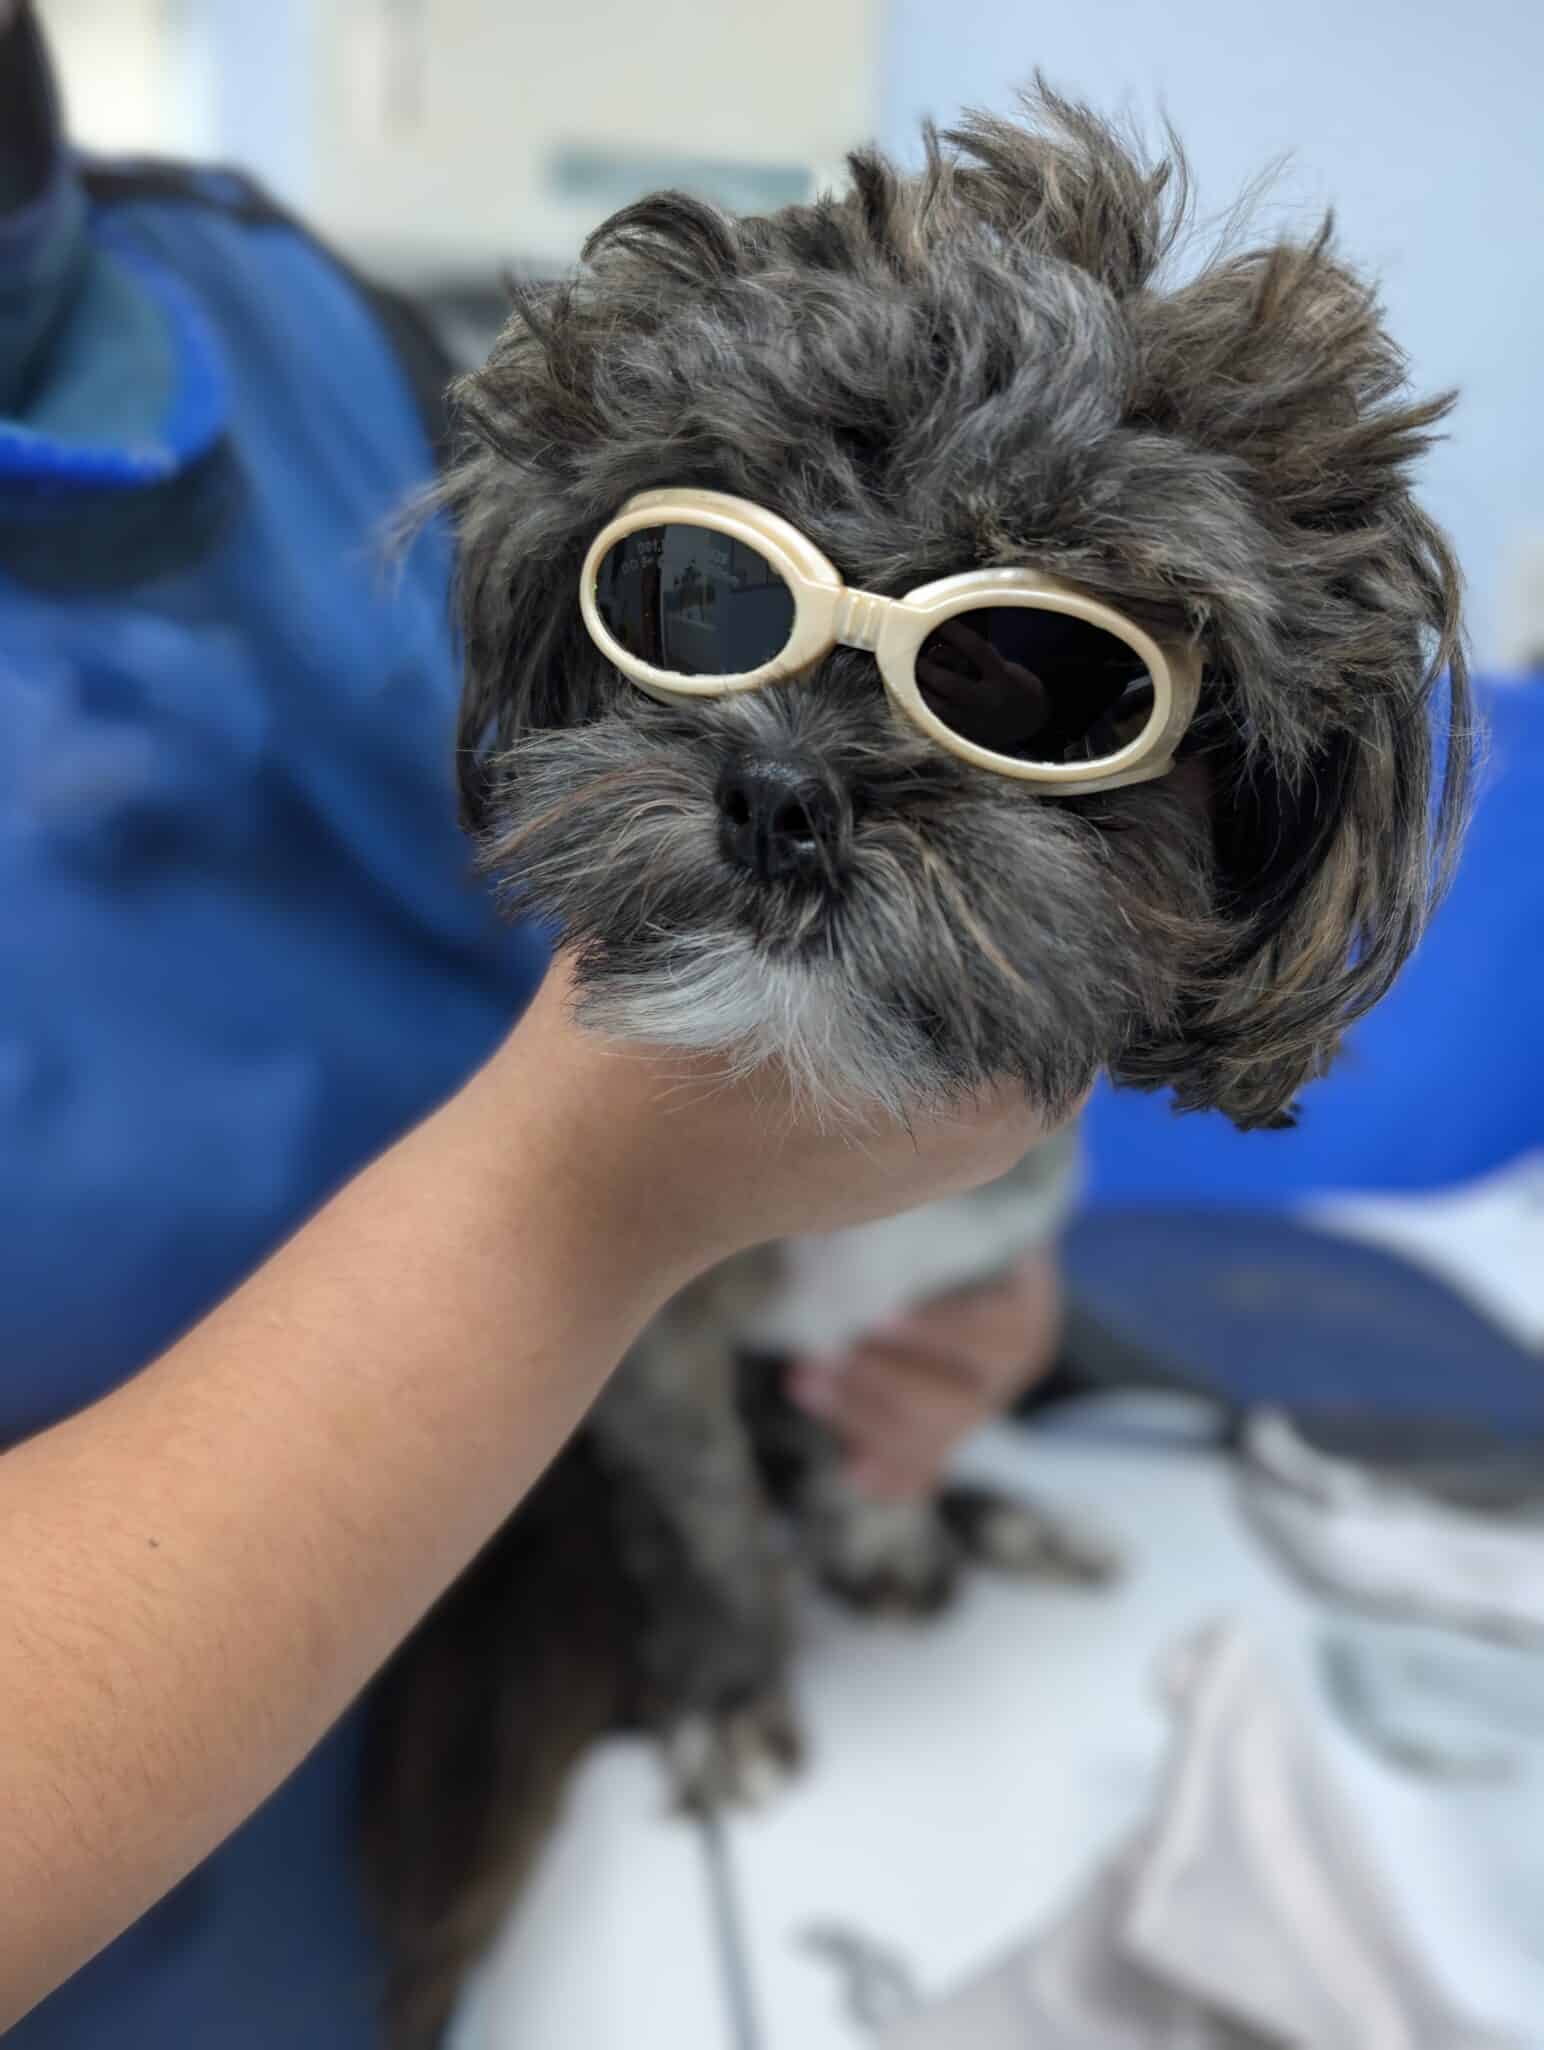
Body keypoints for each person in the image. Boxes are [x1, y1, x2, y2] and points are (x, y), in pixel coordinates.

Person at [0, 7, 1069, 2041]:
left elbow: (719, 905)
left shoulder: (317, 327)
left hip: (558, 1776)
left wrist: (934, 1258)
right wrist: (581, 1209)